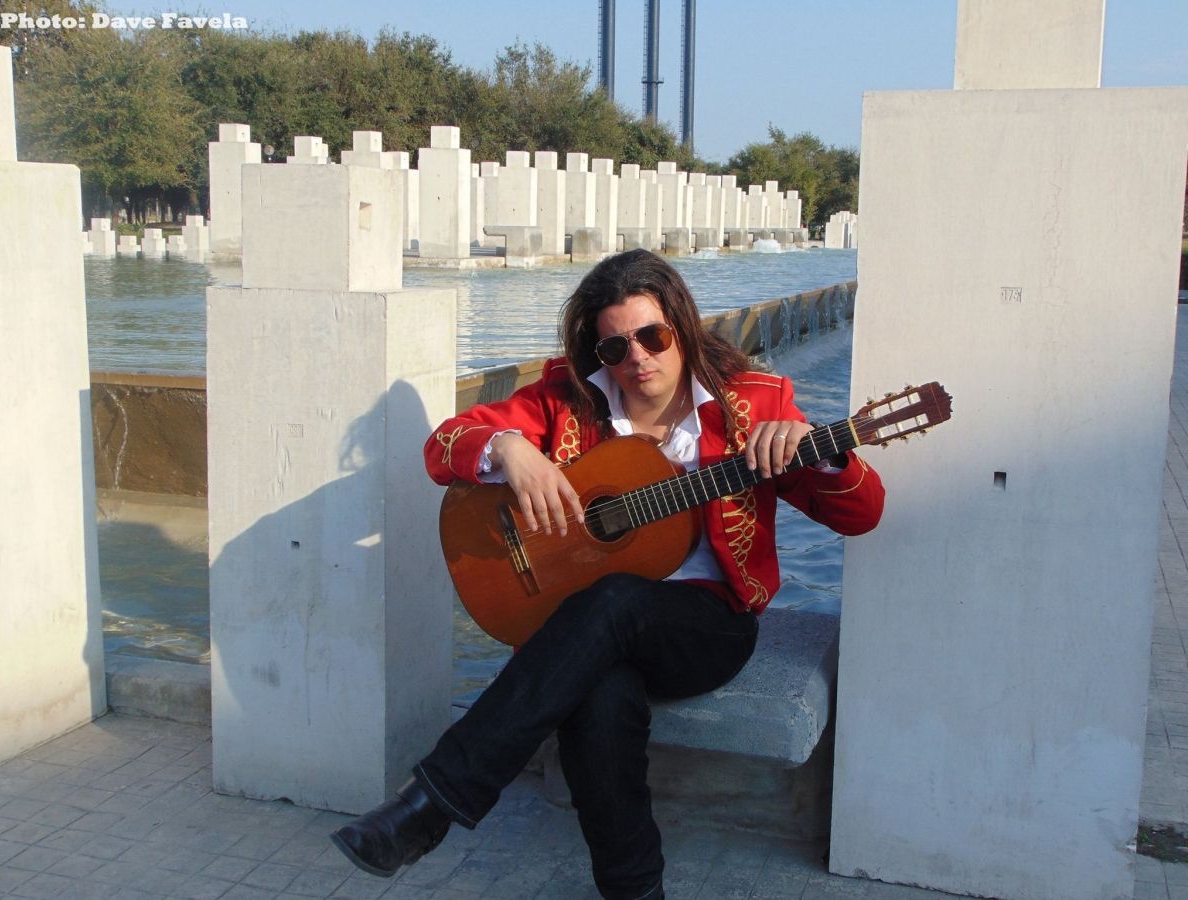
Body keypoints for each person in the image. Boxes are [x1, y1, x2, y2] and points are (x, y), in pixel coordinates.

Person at [331, 249, 885, 899]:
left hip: (706, 624)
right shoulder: (568, 400)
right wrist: (507, 448)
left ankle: (432, 802)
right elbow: (444, 444)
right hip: (591, 627)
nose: (637, 358)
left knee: (616, 597)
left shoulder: (754, 402)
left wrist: (817, 454)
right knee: (599, 695)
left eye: (653, 337)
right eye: (616, 347)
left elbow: (862, 515)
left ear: (681, 325)